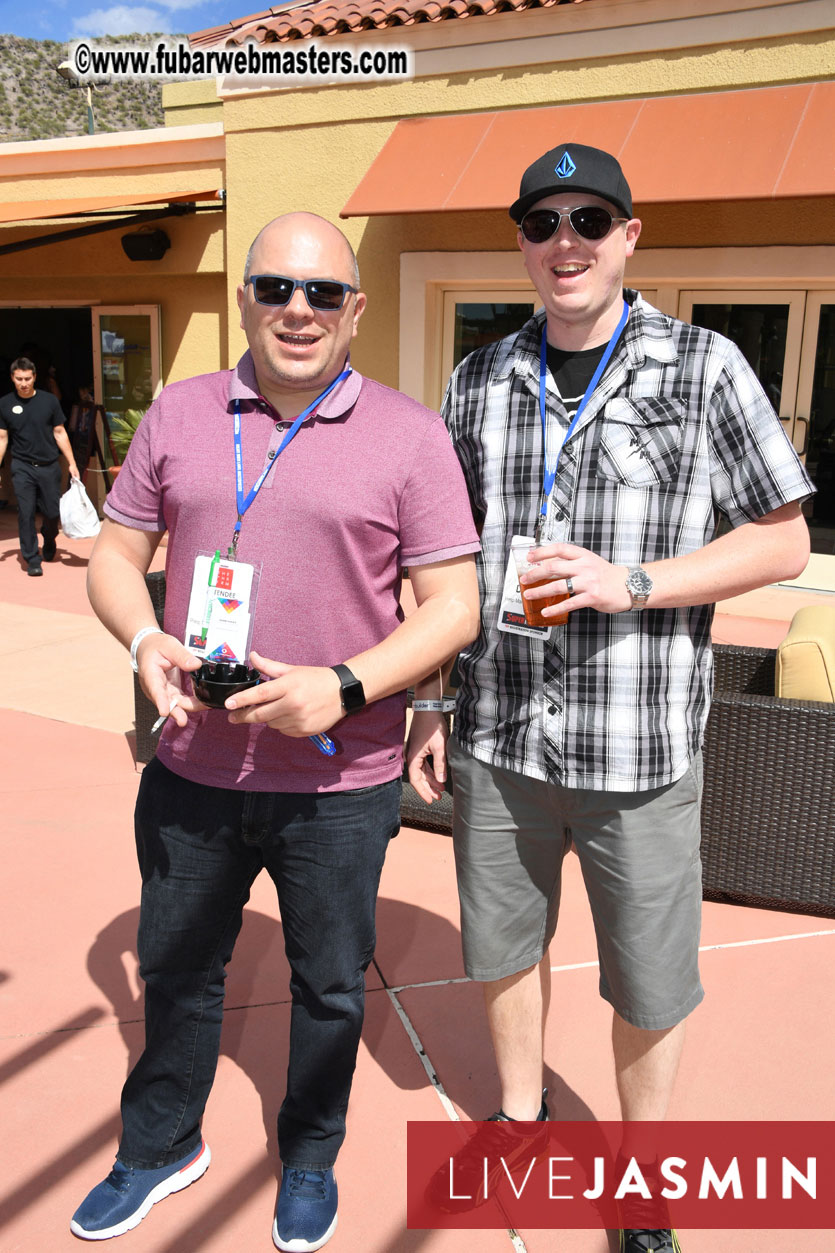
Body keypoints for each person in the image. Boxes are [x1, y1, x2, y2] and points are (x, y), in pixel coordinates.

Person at [407, 143, 813, 1253]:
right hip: (496, 732)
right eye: (541, 223)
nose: (565, 241)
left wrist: (630, 582)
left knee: (647, 979)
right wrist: (431, 703)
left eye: (591, 219)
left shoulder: (703, 364)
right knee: (503, 949)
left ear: (630, 237)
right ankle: (524, 1123)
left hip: (636, 750)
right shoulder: (478, 377)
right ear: (523, 245)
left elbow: (780, 541)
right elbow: (448, 562)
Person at [72, 212, 480, 1250]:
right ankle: (162, 1144)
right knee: (174, 969)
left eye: (323, 293)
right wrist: (142, 639)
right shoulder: (179, 410)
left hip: (340, 781)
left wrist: (342, 687)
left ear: (353, 308)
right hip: (192, 763)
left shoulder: (410, 433)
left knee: (329, 986)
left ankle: (309, 1152)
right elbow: (116, 556)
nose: (298, 310)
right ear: (245, 297)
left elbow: (452, 606)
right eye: (275, 288)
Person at [0, 356, 79, 576]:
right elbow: (2, 438)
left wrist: (72, 463)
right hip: (22, 466)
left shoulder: (49, 401)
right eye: (19, 379)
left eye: (27, 378)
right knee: (25, 513)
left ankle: (49, 536)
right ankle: (32, 558)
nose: (23, 383)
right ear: (12, 379)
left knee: (52, 512)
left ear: (34, 377)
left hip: (49, 466)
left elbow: (60, 432)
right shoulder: (5, 404)